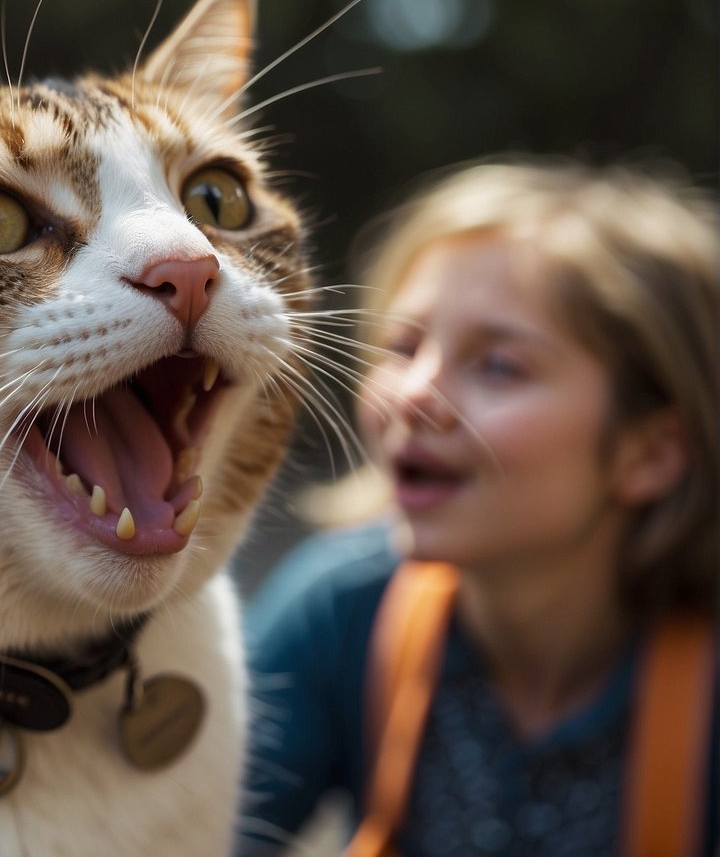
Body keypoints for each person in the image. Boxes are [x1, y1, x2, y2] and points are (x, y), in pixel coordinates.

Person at [239, 157, 718, 856]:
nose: (413, 394)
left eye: (500, 365)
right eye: (402, 346)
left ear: (649, 452)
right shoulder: (346, 607)